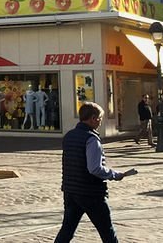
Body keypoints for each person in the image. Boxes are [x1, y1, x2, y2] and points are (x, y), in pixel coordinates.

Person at [54, 102, 132, 243]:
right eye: (100, 119)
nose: (100, 122)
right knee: (107, 232)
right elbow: (95, 168)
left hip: (71, 190)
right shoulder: (91, 139)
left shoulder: (69, 136)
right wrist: (115, 175)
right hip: (90, 192)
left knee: (67, 230)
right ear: (93, 118)